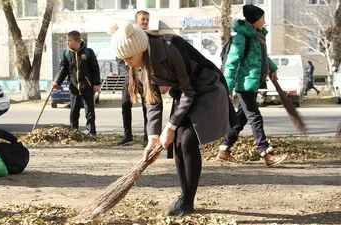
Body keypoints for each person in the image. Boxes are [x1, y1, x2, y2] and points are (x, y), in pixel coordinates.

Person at [107, 21, 230, 216]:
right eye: (123, 59)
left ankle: (188, 201)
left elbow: (189, 91)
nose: (126, 62)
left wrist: (170, 126)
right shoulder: (139, 65)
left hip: (206, 89)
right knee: (178, 143)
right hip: (185, 94)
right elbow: (153, 101)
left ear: (140, 49)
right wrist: (153, 137)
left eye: (129, 57)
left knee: (187, 139)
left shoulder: (170, 48)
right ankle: (184, 195)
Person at [216, 4, 288, 167]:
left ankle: (224, 149)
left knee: (240, 119)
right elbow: (231, 64)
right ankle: (266, 152)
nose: (264, 21)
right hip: (244, 84)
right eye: (262, 18)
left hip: (252, 83)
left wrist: (273, 67)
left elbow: (262, 56)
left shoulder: (256, 36)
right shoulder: (241, 38)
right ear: (255, 20)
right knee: (255, 117)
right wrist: (228, 88)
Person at [53, 30, 101, 139]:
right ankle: (73, 132)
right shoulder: (66, 54)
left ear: (77, 41)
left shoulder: (88, 52)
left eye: (69, 41)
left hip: (87, 87)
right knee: (74, 111)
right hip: (74, 88)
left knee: (89, 111)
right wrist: (57, 82)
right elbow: (63, 70)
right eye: (67, 41)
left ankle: (91, 133)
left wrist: (96, 83)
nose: (67, 43)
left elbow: (95, 69)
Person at [117, 10, 152, 147]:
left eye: (147, 19)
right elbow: (119, 56)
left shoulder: (150, 38)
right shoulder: (127, 36)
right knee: (125, 104)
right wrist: (128, 71)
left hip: (145, 75)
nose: (145, 22)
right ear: (136, 20)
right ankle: (128, 136)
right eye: (143, 19)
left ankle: (146, 137)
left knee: (147, 105)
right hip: (130, 75)